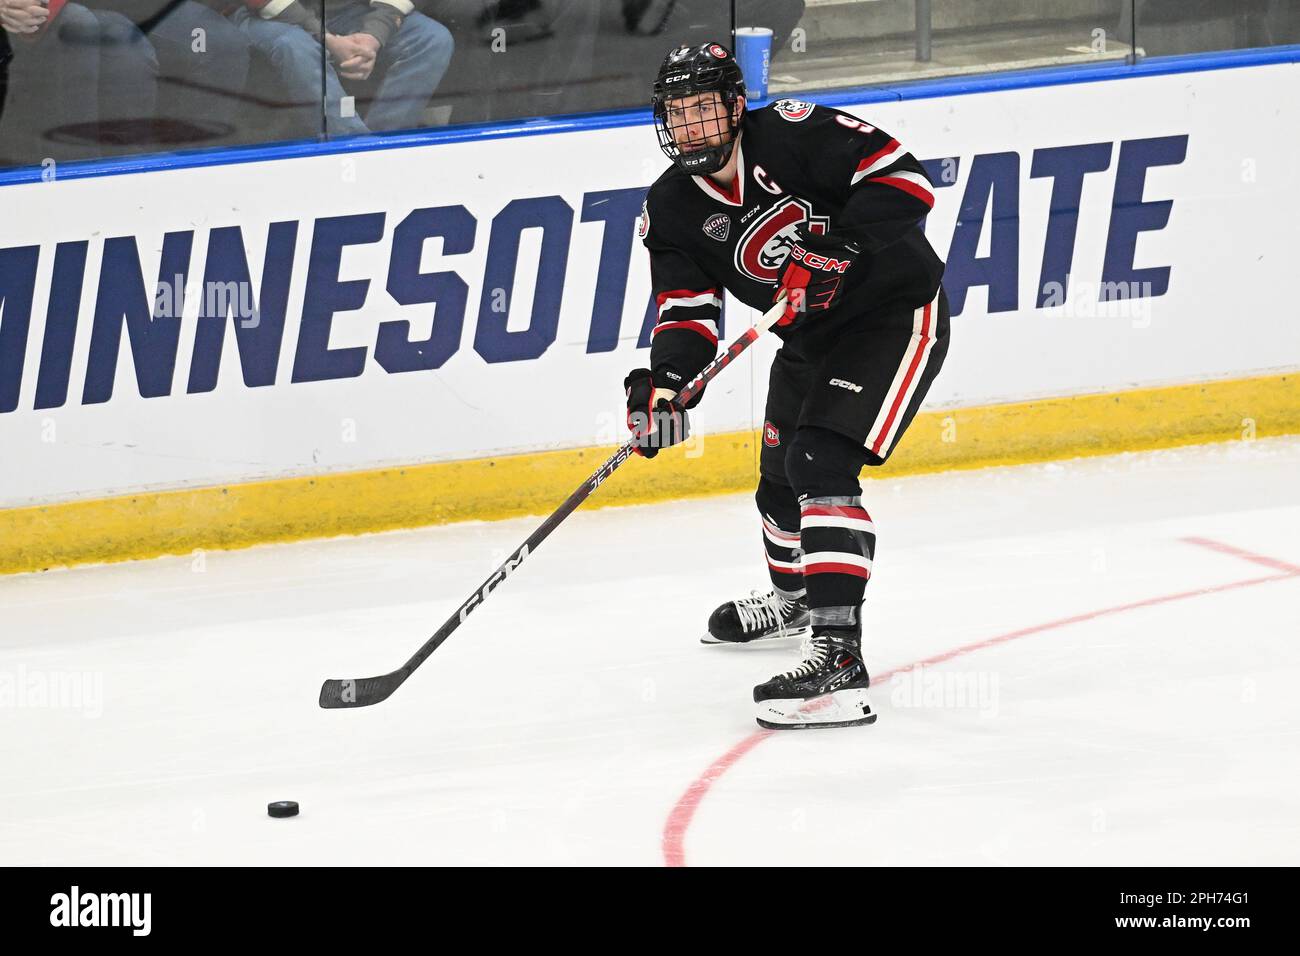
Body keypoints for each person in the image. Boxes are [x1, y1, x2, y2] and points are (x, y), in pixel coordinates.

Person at [626, 42, 950, 729]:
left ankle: (838, 660)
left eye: (703, 110)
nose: (690, 128)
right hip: (809, 338)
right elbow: (687, 312)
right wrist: (668, 383)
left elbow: (906, 179)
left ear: (736, 107)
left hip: (893, 315)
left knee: (820, 462)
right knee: (777, 481)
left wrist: (841, 244)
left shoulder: (795, 134)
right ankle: (796, 596)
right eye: (677, 115)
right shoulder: (672, 208)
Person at [231, 0, 453, 136]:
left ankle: (385, 145)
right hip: (268, 16)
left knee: (432, 38)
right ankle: (352, 144)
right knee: (294, 46)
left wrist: (373, 35)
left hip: (350, 10)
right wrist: (327, 38)